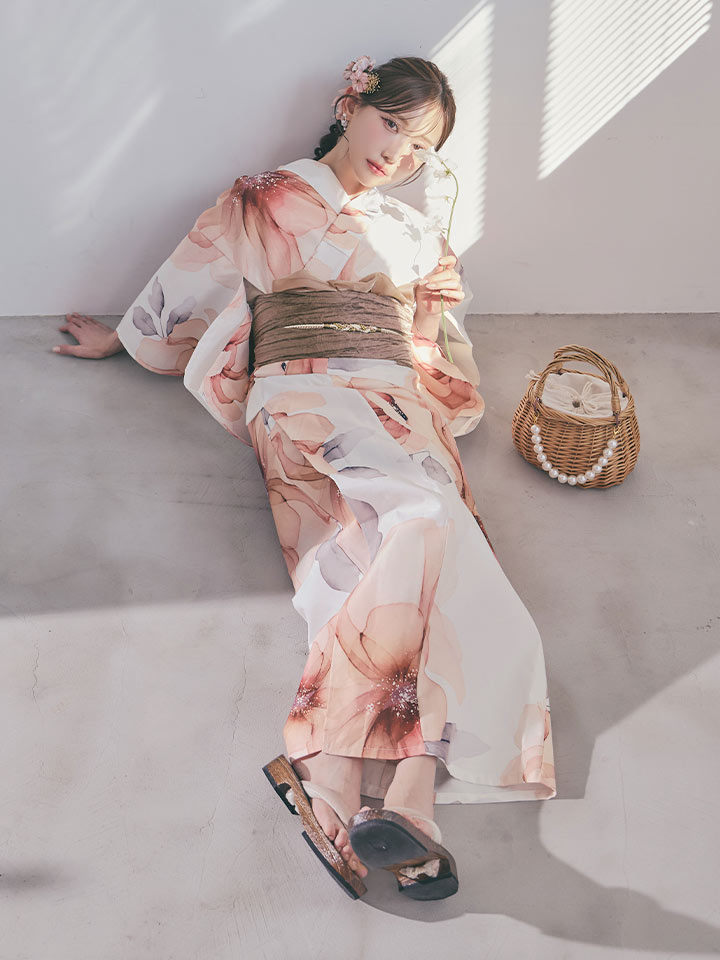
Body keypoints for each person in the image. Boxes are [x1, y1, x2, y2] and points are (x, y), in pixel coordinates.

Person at [56, 55, 557, 900]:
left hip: (398, 399)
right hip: (303, 390)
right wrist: (122, 340)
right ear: (349, 104)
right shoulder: (267, 196)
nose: (398, 153)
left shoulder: (414, 233)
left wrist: (426, 379)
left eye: (420, 147)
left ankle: (367, 788)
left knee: (418, 564)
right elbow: (194, 274)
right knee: (422, 524)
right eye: (392, 124)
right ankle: (377, 778)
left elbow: (432, 335)